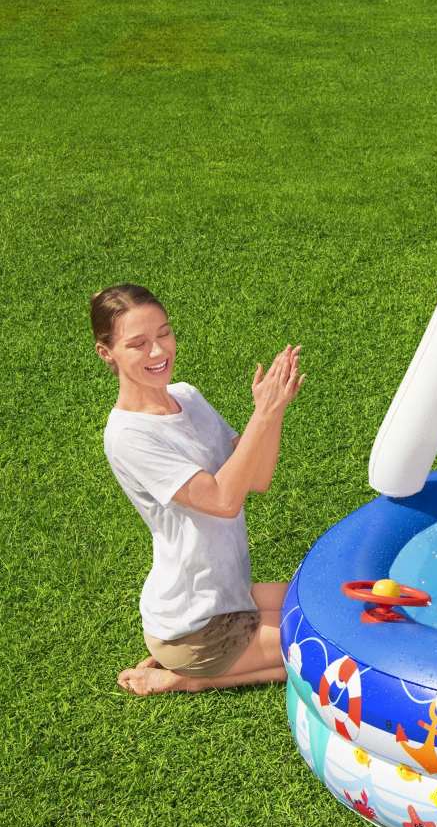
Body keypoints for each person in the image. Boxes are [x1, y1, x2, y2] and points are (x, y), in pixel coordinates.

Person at [94, 283, 305, 695]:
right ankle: (183, 678)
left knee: (329, 608)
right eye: (138, 344)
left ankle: (192, 670)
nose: (158, 351)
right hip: (193, 626)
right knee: (321, 652)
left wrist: (274, 410)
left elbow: (256, 478)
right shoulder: (128, 436)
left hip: (229, 593)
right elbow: (223, 501)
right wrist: (261, 416)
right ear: (107, 353)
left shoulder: (186, 396)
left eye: (164, 333)